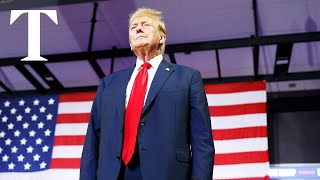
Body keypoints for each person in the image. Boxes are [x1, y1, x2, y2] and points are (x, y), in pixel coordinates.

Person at [80, 7, 214, 180]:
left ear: (162, 38)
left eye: (146, 25)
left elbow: (202, 141)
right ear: (130, 41)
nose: (138, 28)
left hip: (167, 173)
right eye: (133, 27)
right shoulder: (109, 83)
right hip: (114, 174)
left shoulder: (187, 78)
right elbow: (93, 140)